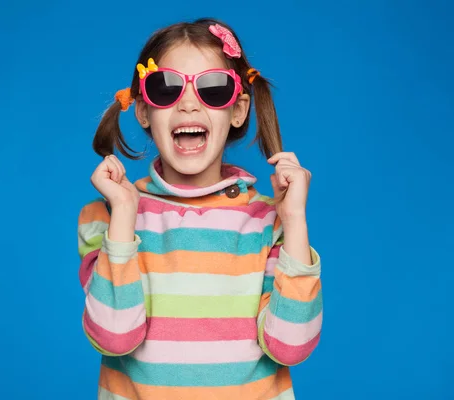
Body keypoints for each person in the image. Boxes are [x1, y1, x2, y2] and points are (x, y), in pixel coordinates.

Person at [77, 18, 322, 400]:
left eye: (213, 88)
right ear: (143, 111)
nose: (189, 103)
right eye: (165, 88)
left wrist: (294, 222)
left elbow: (291, 345)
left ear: (238, 110)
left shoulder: (268, 222)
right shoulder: (106, 217)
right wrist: (124, 218)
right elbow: (114, 336)